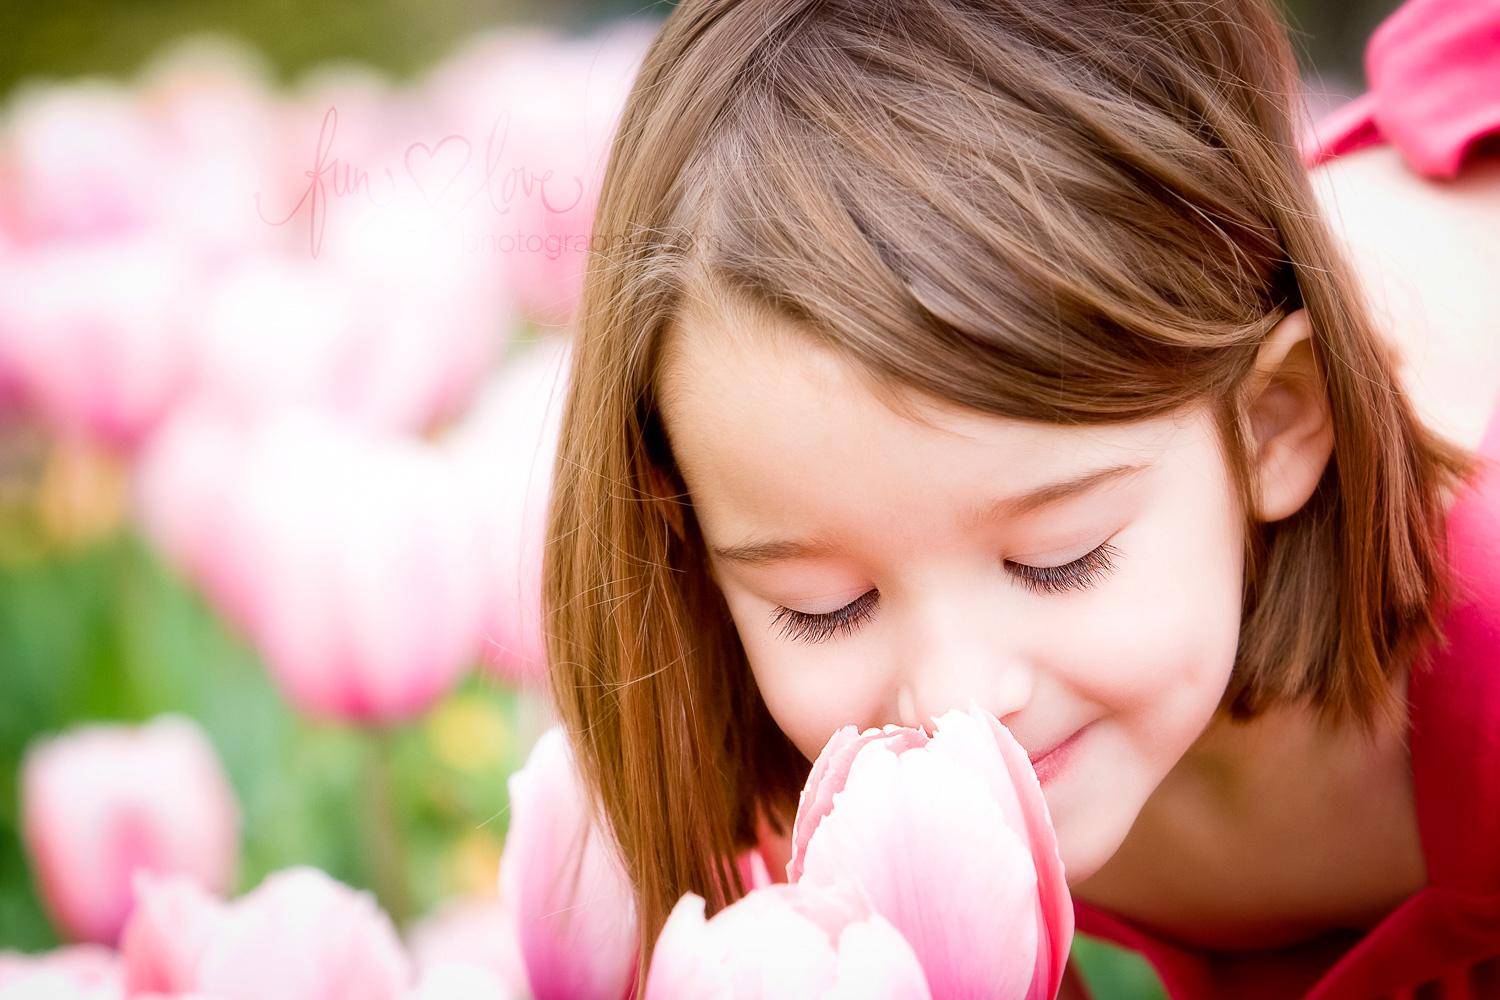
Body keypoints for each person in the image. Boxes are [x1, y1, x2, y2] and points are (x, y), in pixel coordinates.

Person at [541, 0, 1500, 995]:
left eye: (1059, 556)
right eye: (824, 607)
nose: (957, 699)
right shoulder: (821, 810)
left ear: (1273, 426)